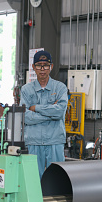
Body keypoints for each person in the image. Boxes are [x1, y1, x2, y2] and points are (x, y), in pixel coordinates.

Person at [20, 50, 68, 179]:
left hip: (55, 140)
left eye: (46, 65)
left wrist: (36, 107)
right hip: (34, 141)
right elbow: (26, 117)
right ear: (33, 67)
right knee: (33, 180)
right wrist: (50, 112)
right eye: (39, 65)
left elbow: (59, 112)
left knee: (58, 179)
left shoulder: (60, 88)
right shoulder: (26, 90)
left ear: (51, 67)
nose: (42, 69)